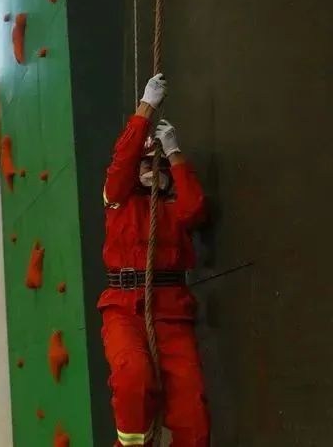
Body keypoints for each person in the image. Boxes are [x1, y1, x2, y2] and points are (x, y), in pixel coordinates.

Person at [99, 74, 210, 447]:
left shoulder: (174, 208)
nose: (150, 170)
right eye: (145, 164)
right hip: (124, 309)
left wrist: (174, 154)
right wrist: (145, 108)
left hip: (172, 312)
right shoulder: (119, 200)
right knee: (132, 376)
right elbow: (121, 162)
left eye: (155, 165)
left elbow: (195, 209)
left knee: (192, 412)